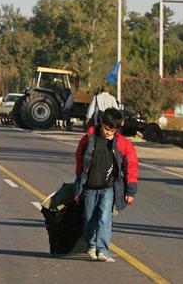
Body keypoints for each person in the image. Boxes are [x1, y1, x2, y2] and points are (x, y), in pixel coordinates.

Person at [73, 108, 138, 262]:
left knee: (105, 218)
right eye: (107, 128)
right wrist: (79, 187)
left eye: (113, 130)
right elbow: (80, 162)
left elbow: (131, 166)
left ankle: (102, 250)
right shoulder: (89, 139)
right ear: (102, 124)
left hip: (109, 188)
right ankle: (91, 244)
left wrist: (131, 191)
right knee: (89, 219)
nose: (109, 132)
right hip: (89, 187)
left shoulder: (122, 144)